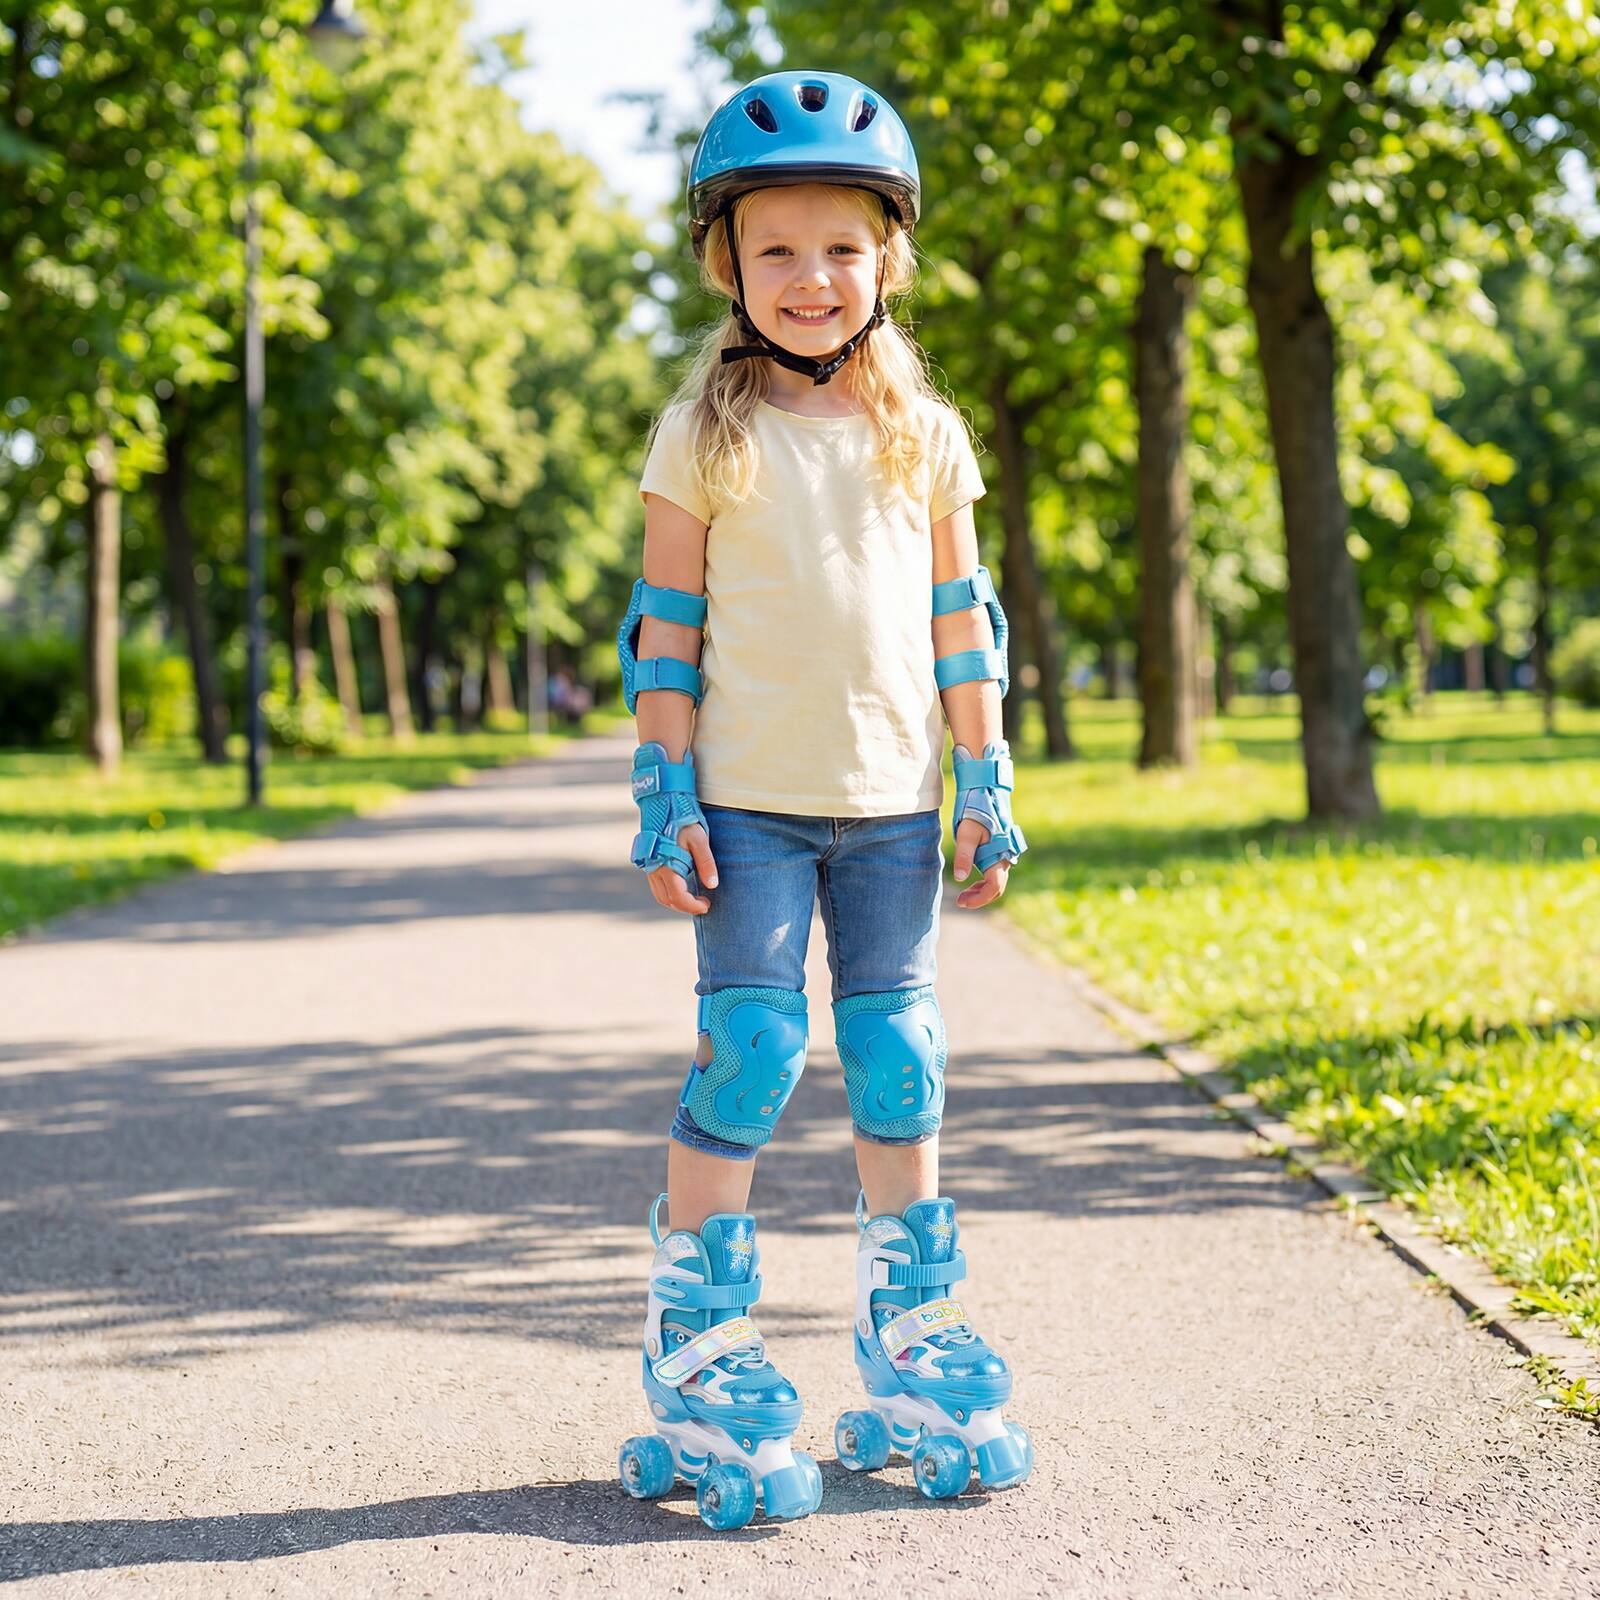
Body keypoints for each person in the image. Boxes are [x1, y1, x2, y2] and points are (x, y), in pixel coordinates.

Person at [613, 70, 1031, 1531]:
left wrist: (983, 775)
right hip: (748, 806)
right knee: (752, 1053)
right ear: (726, 263)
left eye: (842, 246)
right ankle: (698, 1332)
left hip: (894, 804)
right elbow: (666, 631)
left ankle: (910, 1325)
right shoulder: (702, 432)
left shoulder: (927, 433)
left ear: (888, 258)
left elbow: (963, 624)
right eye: (776, 247)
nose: (811, 276)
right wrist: (663, 791)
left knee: (900, 1058)